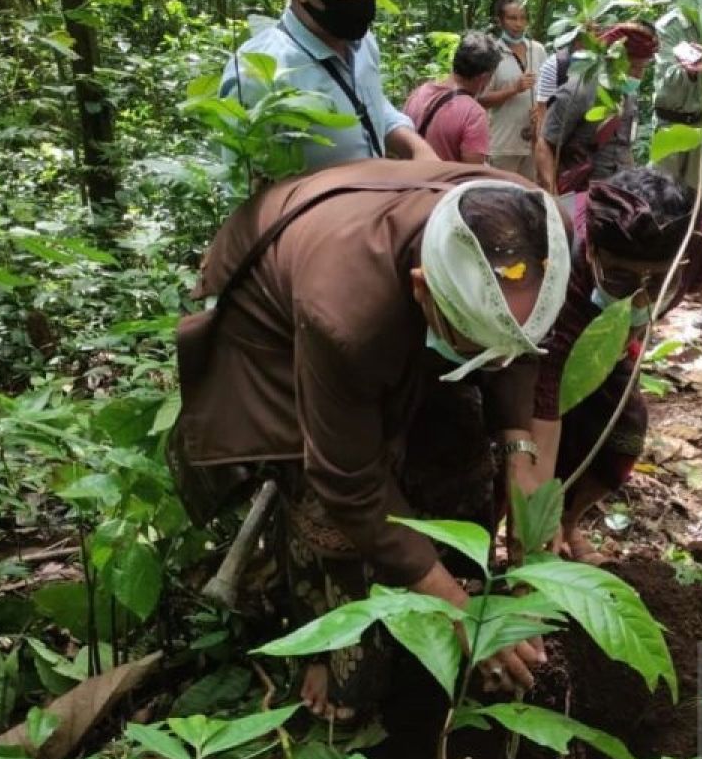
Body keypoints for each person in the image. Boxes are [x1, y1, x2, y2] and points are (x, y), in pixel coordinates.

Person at [173, 159, 570, 721]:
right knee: (324, 509)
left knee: (458, 456)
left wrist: (517, 449)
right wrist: (461, 615)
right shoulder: (344, 317)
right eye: (479, 343)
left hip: (382, 283)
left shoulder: (534, 228)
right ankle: (319, 638)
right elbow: (349, 482)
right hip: (271, 305)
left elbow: (520, 350)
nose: (500, 361)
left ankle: (431, 580)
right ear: (422, 289)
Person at [531, 168, 702, 561]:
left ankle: (566, 523)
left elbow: (695, 283)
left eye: (658, 281)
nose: (641, 300)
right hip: (547, 341)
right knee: (542, 437)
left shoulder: (695, 246)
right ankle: (532, 541)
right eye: (619, 279)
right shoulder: (560, 273)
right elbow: (544, 408)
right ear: (594, 253)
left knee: (623, 433)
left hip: (617, 343)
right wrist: (531, 532)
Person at [219, 0, 436, 171]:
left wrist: (418, 149)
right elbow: (243, 194)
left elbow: (374, 107)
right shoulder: (256, 73)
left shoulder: (363, 44)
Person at [536, 22, 659, 195]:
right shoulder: (578, 91)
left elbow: (624, 146)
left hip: (619, 192)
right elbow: (545, 144)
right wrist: (553, 195)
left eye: (642, 68)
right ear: (613, 59)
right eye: (632, 67)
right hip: (581, 191)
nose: (637, 75)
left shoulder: (628, 94)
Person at [653, 0, 702, 193]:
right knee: (662, 197)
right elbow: (668, 79)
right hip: (671, 124)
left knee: (696, 197)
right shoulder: (668, 26)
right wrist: (691, 71)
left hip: (701, 126)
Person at [404, 32, 500, 163]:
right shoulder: (473, 115)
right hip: (446, 183)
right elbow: (471, 174)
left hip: (413, 180)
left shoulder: (418, 93)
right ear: (483, 77)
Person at [480, 0, 547, 181]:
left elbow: (550, 91)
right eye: (512, 18)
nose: (518, 24)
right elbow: (479, 99)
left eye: (523, 18)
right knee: (503, 199)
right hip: (503, 145)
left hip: (534, 143)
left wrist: (543, 110)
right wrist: (513, 89)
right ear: (500, 21)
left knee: (531, 200)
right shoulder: (491, 52)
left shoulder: (538, 50)